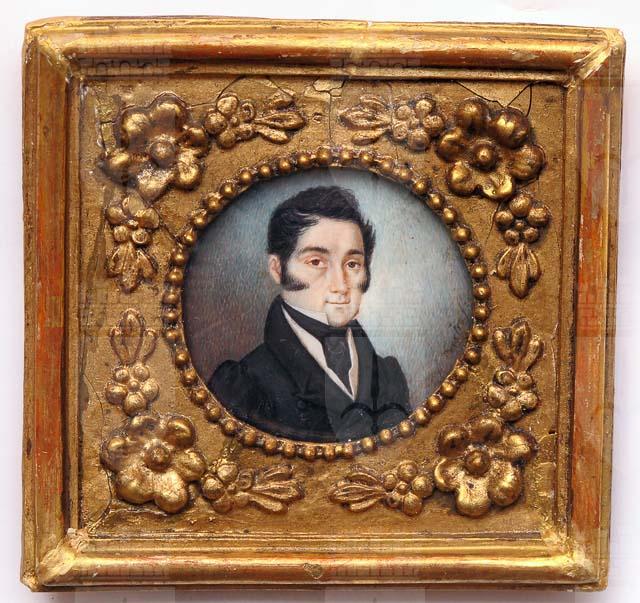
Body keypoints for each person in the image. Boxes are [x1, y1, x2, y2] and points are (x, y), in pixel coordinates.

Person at [208, 185, 411, 442]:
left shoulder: (389, 375)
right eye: (316, 262)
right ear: (278, 269)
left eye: (352, 264)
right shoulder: (245, 383)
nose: (340, 284)